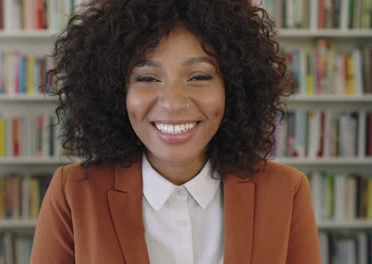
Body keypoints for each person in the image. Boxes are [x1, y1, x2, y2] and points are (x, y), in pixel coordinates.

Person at [30, 0, 322, 263]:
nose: (172, 103)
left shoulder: (287, 191)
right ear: (115, 91)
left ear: (233, 89)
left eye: (199, 76)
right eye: (146, 77)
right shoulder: (73, 192)